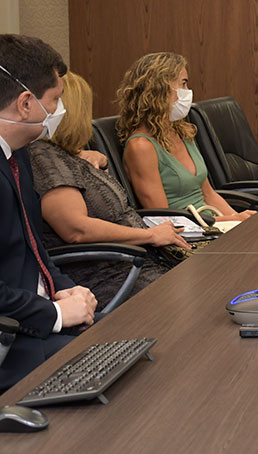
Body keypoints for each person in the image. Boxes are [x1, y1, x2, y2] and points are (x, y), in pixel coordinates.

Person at [29, 72, 191, 304]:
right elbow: (76, 229)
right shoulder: (44, 158)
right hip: (113, 276)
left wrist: (90, 158)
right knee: (200, 297)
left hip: (138, 263)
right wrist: (150, 235)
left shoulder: (67, 155)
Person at [0, 34, 97, 392]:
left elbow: (33, 248)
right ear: (26, 103)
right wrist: (54, 315)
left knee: (139, 344)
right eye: (54, 100)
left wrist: (70, 291)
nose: (59, 112)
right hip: (13, 343)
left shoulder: (18, 152)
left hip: (35, 318)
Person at [117, 52, 254, 219]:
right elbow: (165, 218)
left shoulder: (182, 131)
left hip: (212, 223)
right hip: (188, 236)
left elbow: (208, 195)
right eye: (183, 84)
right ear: (158, 89)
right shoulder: (141, 146)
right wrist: (229, 220)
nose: (187, 92)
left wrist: (239, 219)